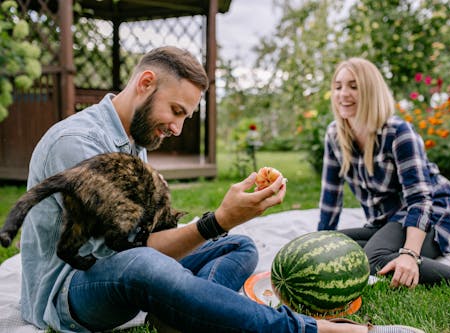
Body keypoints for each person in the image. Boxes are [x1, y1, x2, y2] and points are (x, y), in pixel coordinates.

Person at [19, 46, 424, 333]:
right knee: (147, 266)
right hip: (70, 294)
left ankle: (185, 314)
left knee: (240, 246)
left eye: (186, 116)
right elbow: (132, 254)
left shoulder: (131, 142)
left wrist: (226, 224)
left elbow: (143, 237)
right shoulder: (78, 144)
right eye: (176, 111)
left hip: (125, 268)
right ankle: (322, 331)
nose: (177, 128)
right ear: (145, 83)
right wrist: (217, 219)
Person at [318, 57, 450, 298]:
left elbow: (420, 200)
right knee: (333, 246)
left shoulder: (398, 132)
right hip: (387, 220)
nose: (343, 94)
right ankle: (386, 251)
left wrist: (410, 254)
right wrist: (318, 244)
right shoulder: (335, 134)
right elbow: (331, 196)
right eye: (338, 86)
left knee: (374, 259)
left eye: (354, 86)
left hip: (434, 214)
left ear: (371, 91)